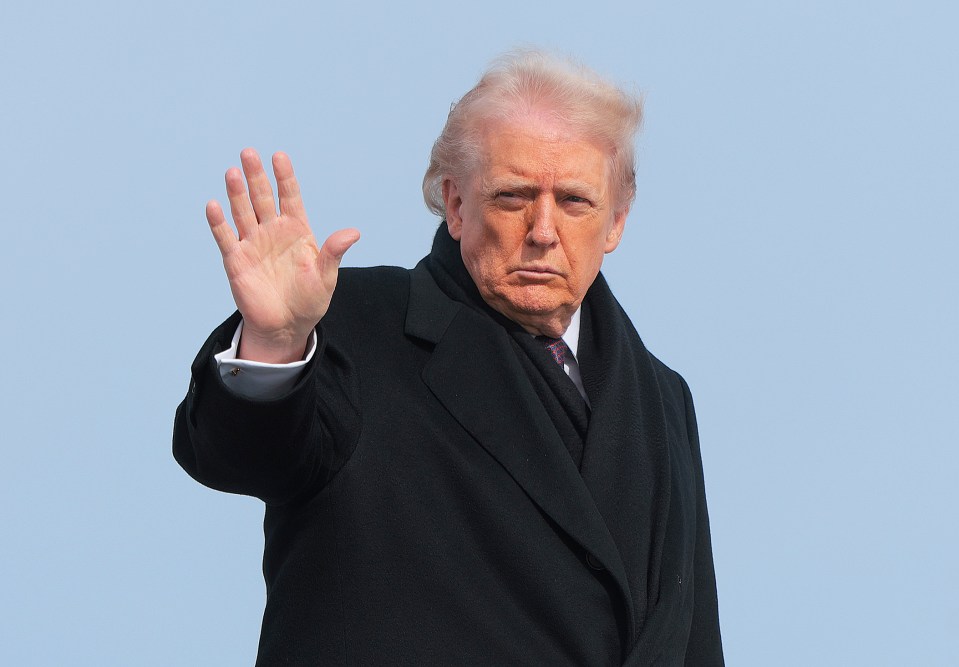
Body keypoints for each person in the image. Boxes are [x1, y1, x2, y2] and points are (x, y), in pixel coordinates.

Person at [174, 50, 724, 666]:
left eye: (574, 201)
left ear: (617, 220)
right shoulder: (346, 324)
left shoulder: (662, 397)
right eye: (513, 197)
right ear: (456, 204)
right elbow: (241, 457)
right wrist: (275, 342)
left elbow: (693, 637)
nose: (543, 230)